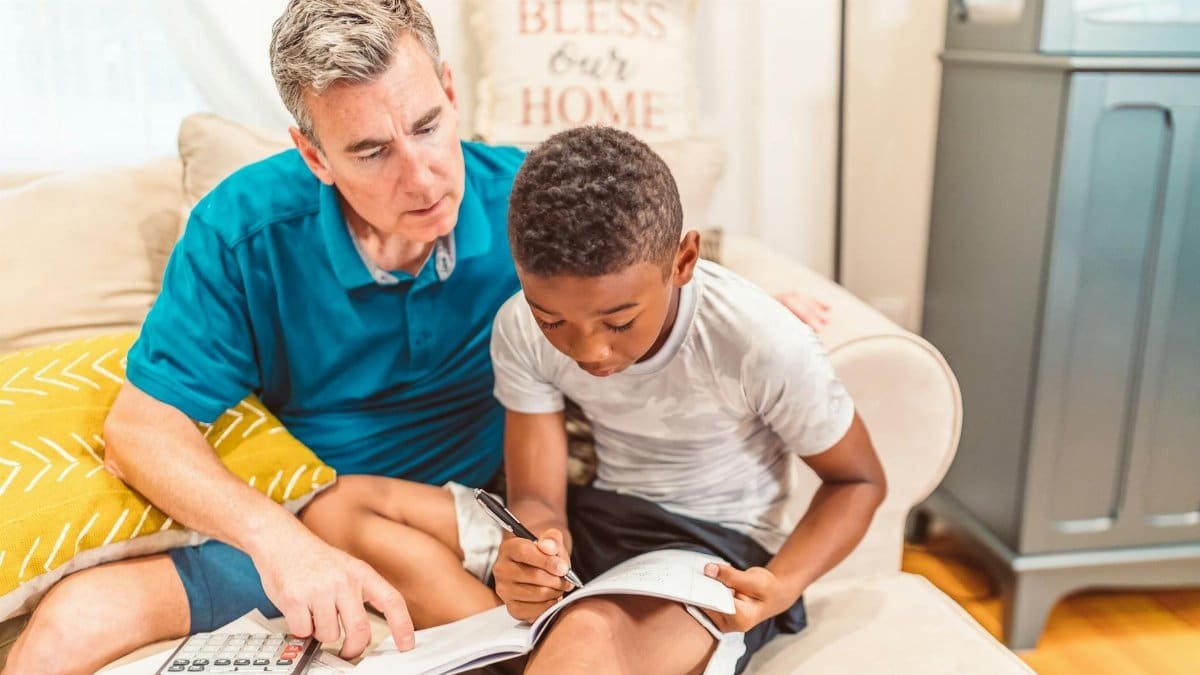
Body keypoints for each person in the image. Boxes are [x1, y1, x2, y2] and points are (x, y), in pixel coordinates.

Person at [3, 3, 830, 673]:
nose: (423, 174)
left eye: (428, 125)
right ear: (314, 155)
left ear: (448, 88)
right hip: (313, 517)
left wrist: (736, 290)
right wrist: (284, 543)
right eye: (370, 151)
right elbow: (140, 428)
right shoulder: (245, 229)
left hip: (463, 522)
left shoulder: (522, 204)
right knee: (77, 618)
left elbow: (634, 265)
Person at [486, 126, 888, 674]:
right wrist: (540, 550)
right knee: (355, 508)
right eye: (552, 319)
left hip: (715, 547)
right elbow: (538, 498)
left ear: (684, 260)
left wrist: (783, 584)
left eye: (619, 321)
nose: (590, 350)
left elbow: (859, 481)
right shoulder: (517, 326)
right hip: (604, 520)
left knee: (585, 635)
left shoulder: (760, 341)